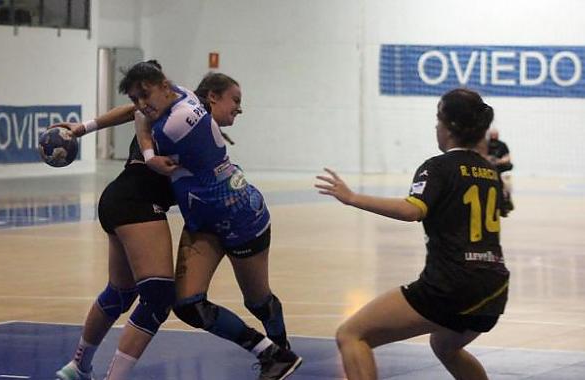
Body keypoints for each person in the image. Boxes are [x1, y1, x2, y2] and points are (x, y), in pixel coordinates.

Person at [123, 62, 302, 380]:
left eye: (144, 96)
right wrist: (86, 127)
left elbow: (140, 125)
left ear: (164, 87)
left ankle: (281, 351)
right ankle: (272, 355)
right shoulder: (180, 93)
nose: (141, 105)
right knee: (188, 304)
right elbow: (135, 113)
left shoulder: (174, 125)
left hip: (241, 217)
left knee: (258, 302)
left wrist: (146, 149)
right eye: (235, 100)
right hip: (203, 223)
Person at [315, 88, 509, 380]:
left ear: (449, 128)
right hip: (493, 289)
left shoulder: (438, 167)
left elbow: (411, 210)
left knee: (351, 334)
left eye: (437, 120)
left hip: (451, 286)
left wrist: (352, 197)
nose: (435, 127)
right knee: (445, 346)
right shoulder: (491, 172)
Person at [52, 103, 176, 380]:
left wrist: (83, 128)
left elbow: (134, 110)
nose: (239, 109)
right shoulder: (187, 115)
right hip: (139, 202)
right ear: (212, 98)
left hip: (117, 199)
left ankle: (78, 367)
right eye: (235, 101)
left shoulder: (169, 112)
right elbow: (136, 109)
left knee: (121, 292)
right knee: (158, 298)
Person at [487, 128, 514, 216]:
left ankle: (506, 200)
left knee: (506, 183)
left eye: (495, 134)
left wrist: (498, 161)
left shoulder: (502, 145)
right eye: (492, 134)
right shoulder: (485, 144)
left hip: (500, 169)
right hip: (487, 168)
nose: (494, 136)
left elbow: (507, 157)